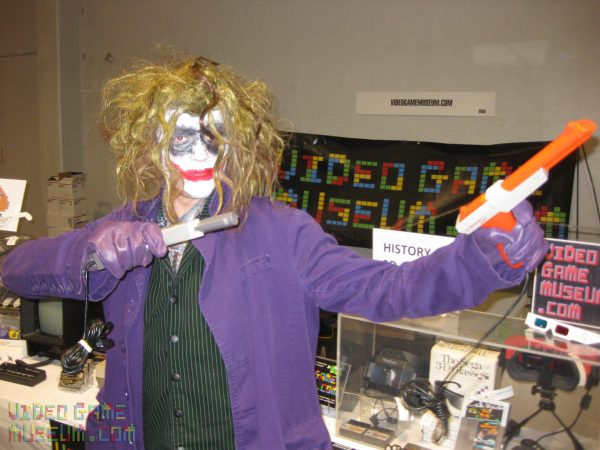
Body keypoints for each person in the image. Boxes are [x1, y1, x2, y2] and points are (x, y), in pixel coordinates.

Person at [1, 56, 548, 450]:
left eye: (214, 136)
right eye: (182, 136)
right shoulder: (122, 226)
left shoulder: (281, 231)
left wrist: (481, 259)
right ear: (151, 143)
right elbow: (16, 270)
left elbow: (386, 289)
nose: (201, 153)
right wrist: (89, 254)